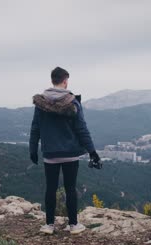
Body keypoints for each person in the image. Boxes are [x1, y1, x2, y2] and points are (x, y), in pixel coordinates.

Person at [29, 66, 101, 235]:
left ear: (52, 80)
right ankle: (74, 225)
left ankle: (49, 225)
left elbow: (35, 128)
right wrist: (92, 152)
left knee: (50, 189)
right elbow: (82, 129)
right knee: (70, 189)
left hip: (50, 154)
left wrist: (33, 149)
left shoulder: (40, 103)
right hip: (70, 154)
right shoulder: (72, 102)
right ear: (65, 81)